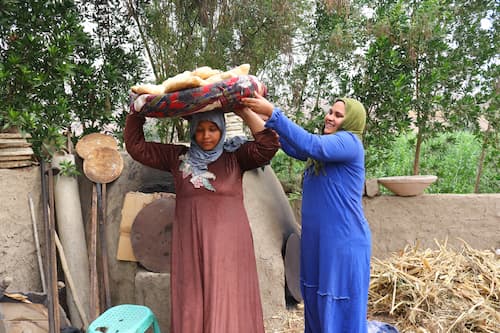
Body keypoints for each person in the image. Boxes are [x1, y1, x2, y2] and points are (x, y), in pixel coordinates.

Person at [124, 106, 280, 333]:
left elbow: (269, 145)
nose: (206, 136)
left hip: (230, 248)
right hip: (191, 247)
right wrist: (136, 112)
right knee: (194, 301)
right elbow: (136, 147)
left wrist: (242, 110)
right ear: (192, 131)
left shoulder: (236, 157)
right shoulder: (178, 157)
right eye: (200, 130)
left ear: (223, 129)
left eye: (213, 129)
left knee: (230, 299)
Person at [243, 93, 371, 333]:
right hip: (317, 241)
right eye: (330, 111)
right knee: (313, 296)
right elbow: (288, 143)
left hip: (342, 241)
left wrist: (273, 113)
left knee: (336, 301)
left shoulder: (349, 143)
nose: (330, 117)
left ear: (352, 121)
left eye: (338, 115)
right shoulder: (322, 154)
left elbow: (312, 144)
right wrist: (250, 112)